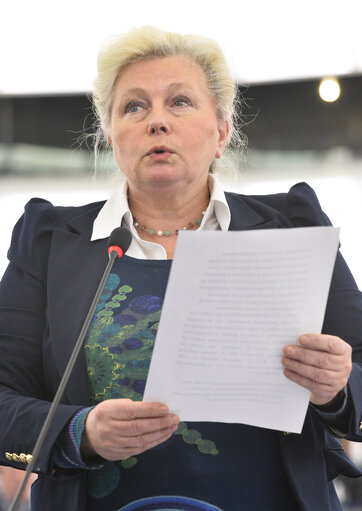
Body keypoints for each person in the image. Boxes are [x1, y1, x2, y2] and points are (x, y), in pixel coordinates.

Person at [0, 25, 361, 511]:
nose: (157, 122)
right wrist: (78, 431)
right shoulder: (50, 242)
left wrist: (337, 388)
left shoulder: (292, 224)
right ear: (109, 135)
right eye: (134, 106)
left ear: (221, 131)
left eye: (180, 102)